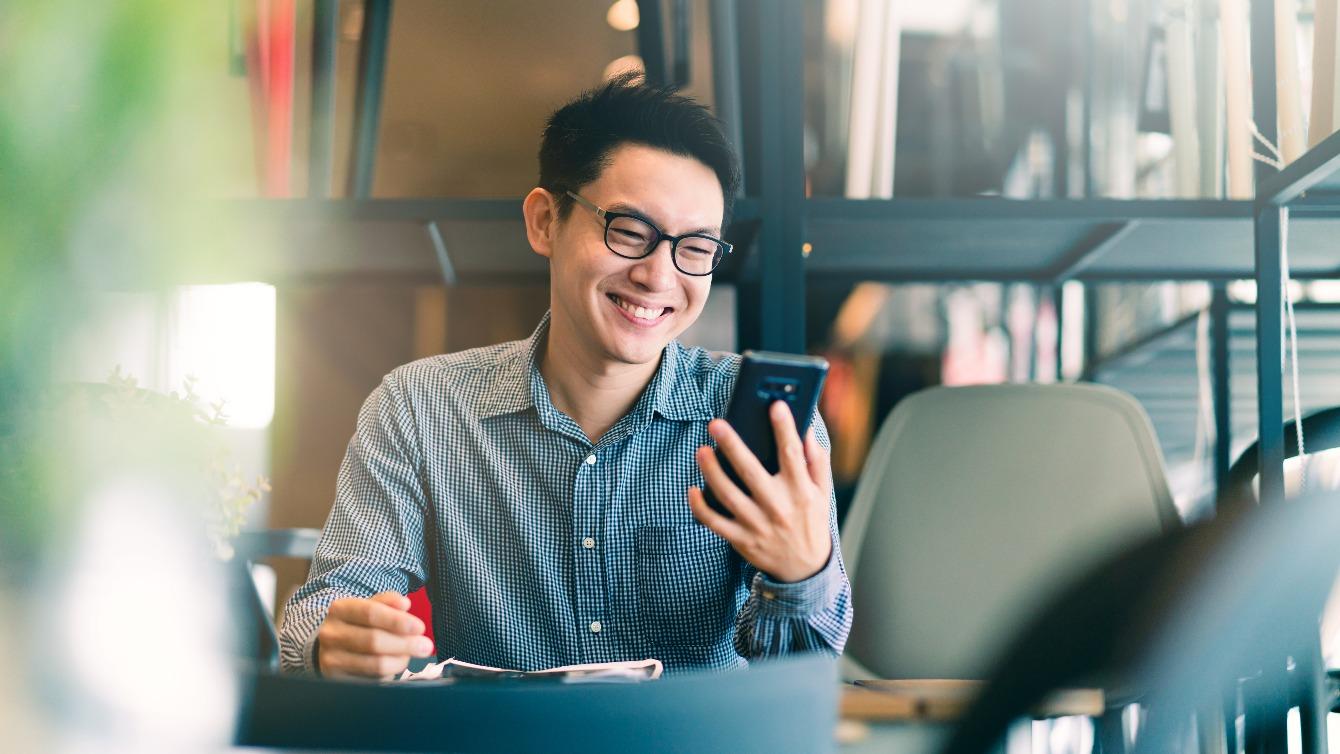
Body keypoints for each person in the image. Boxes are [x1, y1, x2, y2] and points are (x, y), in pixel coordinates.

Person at [279, 74, 852, 678]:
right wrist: (333, 643)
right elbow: (328, 606)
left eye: (695, 248)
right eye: (630, 232)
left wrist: (803, 574)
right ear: (545, 222)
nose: (659, 278)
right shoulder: (420, 408)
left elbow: (806, 675)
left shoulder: (761, 423)